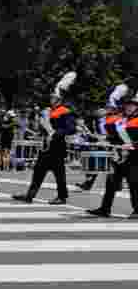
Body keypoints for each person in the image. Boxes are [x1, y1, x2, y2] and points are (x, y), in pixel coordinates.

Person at [13, 75, 76, 205]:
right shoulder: (48, 112)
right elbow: (43, 128)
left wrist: (55, 133)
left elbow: (71, 129)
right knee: (38, 171)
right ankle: (30, 195)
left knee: (59, 173)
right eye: (51, 97)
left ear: (59, 99)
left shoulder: (65, 111)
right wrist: (39, 133)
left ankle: (62, 196)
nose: (51, 99)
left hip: (57, 146)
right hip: (45, 146)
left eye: (54, 98)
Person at [87, 85, 133, 217]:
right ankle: (105, 209)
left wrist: (125, 145)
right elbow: (114, 136)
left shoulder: (121, 119)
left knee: (133, 184)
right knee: (111, 183)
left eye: (109, 106)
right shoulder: (116, 120)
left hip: (129, 156)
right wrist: (105, 140)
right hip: (117, 155)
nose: (106, 108)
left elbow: (125, 135)